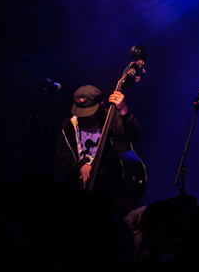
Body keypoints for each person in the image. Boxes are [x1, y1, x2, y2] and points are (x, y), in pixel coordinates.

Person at [56, 85, 143, 214]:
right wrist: (80, 167)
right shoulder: (68, 127)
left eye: (89, 113)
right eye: (81, 113)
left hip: (109, 191)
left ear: (101, 105)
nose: (85, 118)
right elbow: (62, 161)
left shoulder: (111, 118)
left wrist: (124, 110)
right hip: (78, 193)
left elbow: (135, 136)